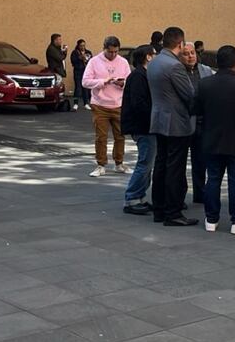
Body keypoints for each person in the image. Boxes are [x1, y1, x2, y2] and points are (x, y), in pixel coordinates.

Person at [196, 45, 235, 235]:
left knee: (213, 179)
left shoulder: (204, 84)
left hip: (211, 139)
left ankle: (211, 219)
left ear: (217, 62)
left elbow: (196, 110)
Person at [148, 27, 198, 227]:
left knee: (161, 164)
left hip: (159, 118)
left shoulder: (154, 62)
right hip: (176, 122)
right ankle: (173, 212)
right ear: (180, 44)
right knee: (174, 168)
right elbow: (189, 95)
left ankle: (159, 209)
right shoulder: (174, 66)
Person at [81, 36, 131, 177]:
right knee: (101, 137)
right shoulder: (94, 61)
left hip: (118, 104)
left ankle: (119, 163)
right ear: (104, 49)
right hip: (100, 104)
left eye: (116, 52)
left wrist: (123, 83)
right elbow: (85, 82)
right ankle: (101, 164)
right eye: (110, 52)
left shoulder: (123, 62)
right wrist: (103, 81)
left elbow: (130, 81)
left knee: (120, 136)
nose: (113, 55)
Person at [120, 45, 156, 215]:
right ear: (148, 57)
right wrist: (153, 116)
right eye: (154, 54)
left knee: (148, 162)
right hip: (143, 126)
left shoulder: (143, 74)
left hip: (145, 125)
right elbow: (139, 103)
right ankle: (132, 197)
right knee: (145, 162)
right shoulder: (138, 76)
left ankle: (140, 196)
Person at [180, 42, 213, 204]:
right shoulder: (177, 71)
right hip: (183, 121)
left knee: (200, 161)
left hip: (202, 123)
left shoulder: (206, 71)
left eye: (192, 52)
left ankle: (200, 194)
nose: (191, 56)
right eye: (186, 53)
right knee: (179, 161)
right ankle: (180, 195)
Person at [71, 39, 93, 110]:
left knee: (85, 88)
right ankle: (75, 103)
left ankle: (86, 103)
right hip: (77, 71)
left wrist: (86, 59)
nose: (83, 47)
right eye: (81, 45)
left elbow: (91, 61)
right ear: (78, 45)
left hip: (85, 71)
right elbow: (73, 62)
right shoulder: (75, 52)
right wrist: (79, 58)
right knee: (77, 87)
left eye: (84, 45)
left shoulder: (88, 52)